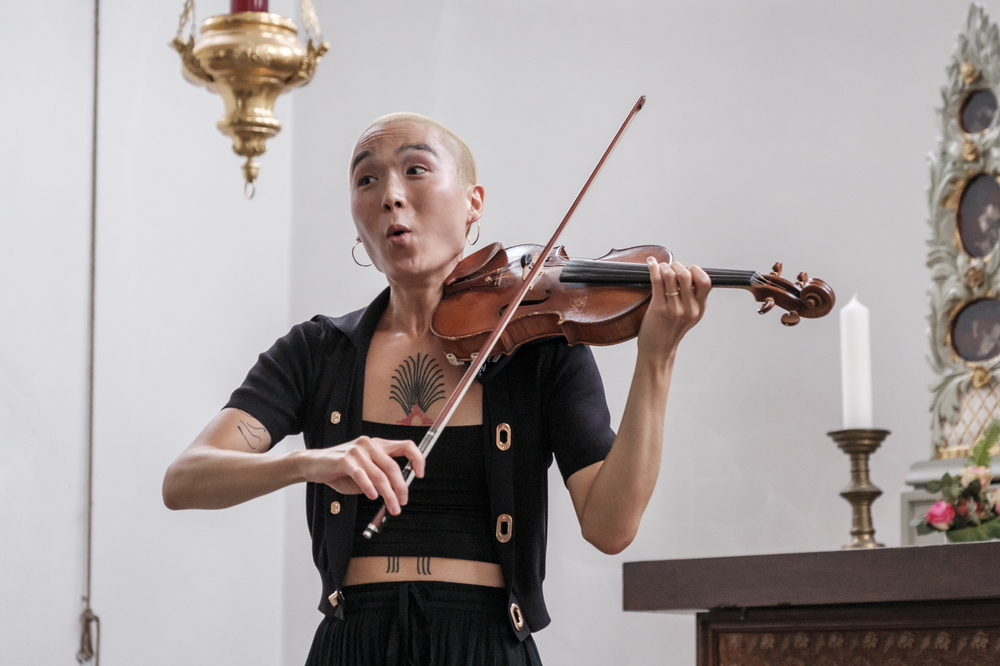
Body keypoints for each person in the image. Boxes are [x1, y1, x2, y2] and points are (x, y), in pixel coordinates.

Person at [162, 112, 711, 665]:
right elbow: (186, 480)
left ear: (473, 202)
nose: (391, 197)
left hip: (485, 646)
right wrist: (311, 464)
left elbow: (610, 526)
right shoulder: (316, 352)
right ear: (357, 224)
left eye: (416, 170)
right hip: (353, 645)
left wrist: (656, 356)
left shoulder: (538, 344)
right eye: (367, 179)